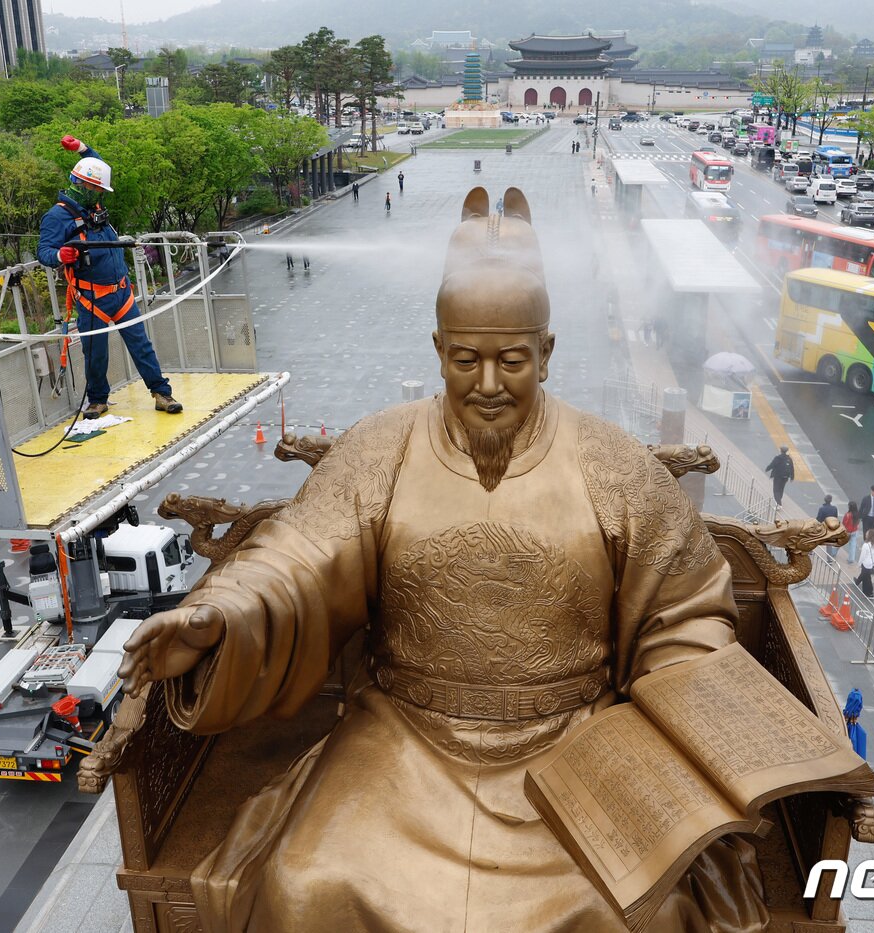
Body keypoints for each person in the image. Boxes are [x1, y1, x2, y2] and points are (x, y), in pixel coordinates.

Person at [120, 187, 774, 933]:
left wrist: (674, 705)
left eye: (512, 360)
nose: (488, 384)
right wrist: (220, 615)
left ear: (548, 353)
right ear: (438, 351)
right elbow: (297, 556)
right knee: (307, 882)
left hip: (570, 747)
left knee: (624, 908)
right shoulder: (381, 447)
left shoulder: (614, 466)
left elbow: (685, 608)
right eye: (466, 359)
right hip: (403, 740)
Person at [39, 135, 182, 419]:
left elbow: (96, 165)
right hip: (92, 298)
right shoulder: (57, 217)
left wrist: (81, 148)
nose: (101, 194)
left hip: (121, 292)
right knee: (96, 353)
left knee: (141, 344)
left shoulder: (91, 204)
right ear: (82, 186)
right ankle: (98, 400)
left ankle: (161, 393)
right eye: (97, 189)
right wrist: (60, 256)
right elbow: (44, 250)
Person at [855, 528, 874, 598]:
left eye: (867, 533)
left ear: (869, 536)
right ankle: (858, 583)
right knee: (866, 577)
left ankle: (869, 593)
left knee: (867, 579)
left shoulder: (866, 545)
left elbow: (862, 557)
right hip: (872, 564)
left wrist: (859, 564)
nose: (866, 534)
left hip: (866, 564)